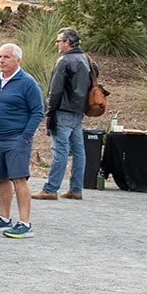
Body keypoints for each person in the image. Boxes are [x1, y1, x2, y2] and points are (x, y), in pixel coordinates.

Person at [0, 43, 43, 239]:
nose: (1, 60)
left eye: (6, 57)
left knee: (19, 178)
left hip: (17, 137)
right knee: (1, 178)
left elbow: (38, 111)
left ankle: (25, 223)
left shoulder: (27, 82)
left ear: (18, 60)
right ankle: (4, 218)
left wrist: (25, 136)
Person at [36, 27, 91, 201]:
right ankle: (76, 188)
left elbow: (55, 89)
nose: (56, 44)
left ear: (67, 42)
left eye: (59, 41)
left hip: (64, 110)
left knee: (60, 150)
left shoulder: (64, 61)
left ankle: (51, 188)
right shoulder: (85, 58)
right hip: (78, 110)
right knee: (78, 151)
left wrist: (50, 111)